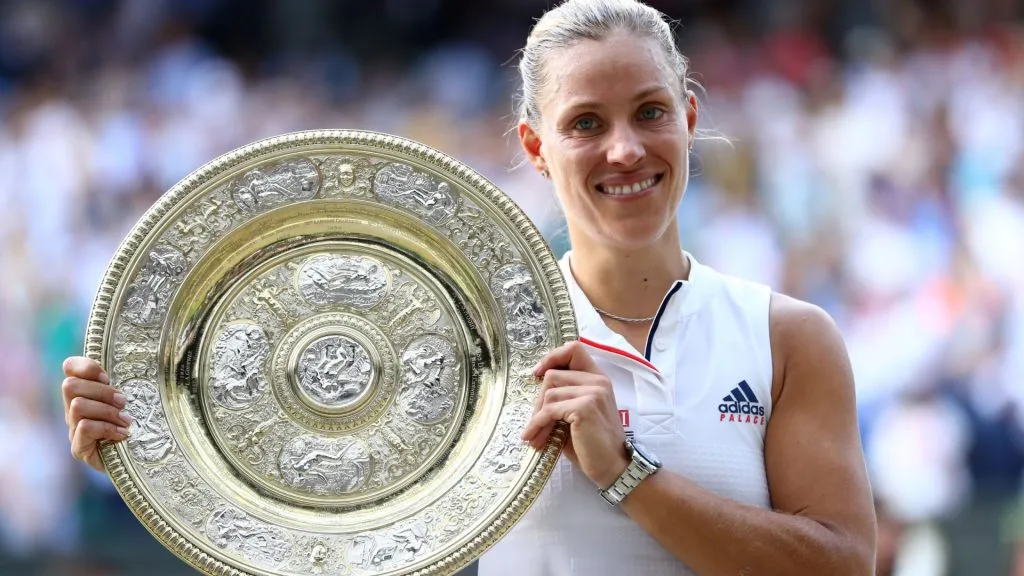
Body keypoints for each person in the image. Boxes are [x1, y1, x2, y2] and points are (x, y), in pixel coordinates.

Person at [60, 0, 877, 573]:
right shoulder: (466, 346)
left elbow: (843, 568)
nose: (625, 149)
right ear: (534, 144)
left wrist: (625, 472)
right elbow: (327, 543)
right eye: (585, 123)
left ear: (690, 119)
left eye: (651, 113)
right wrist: (159, 460)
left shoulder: (786, 336)